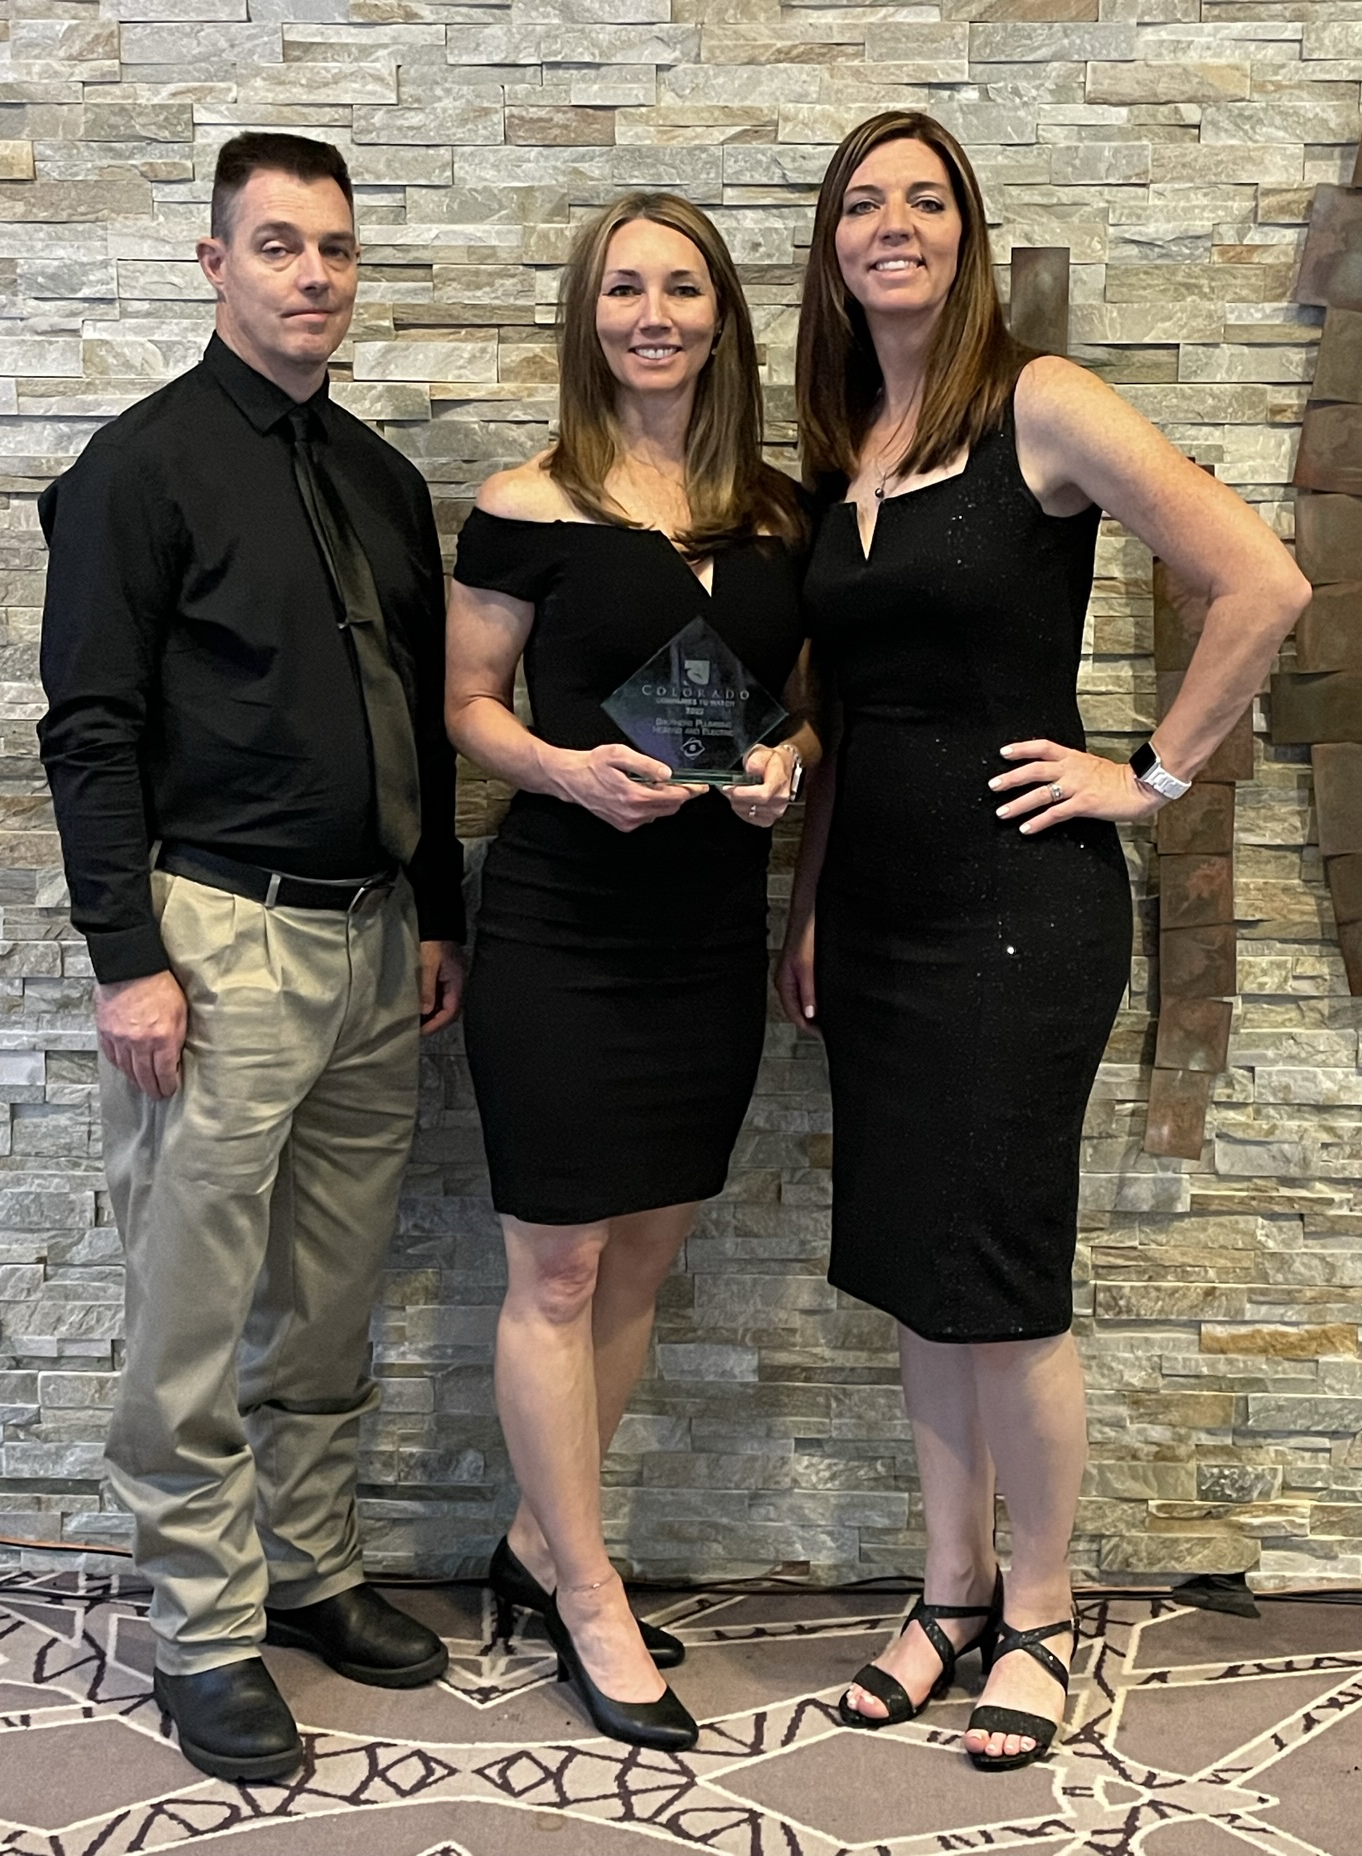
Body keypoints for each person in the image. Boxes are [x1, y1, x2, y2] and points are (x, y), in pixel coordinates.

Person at [779, 111, 1309, 1770]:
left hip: (1021, 912)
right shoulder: (842, 438)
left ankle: (1041, 1609)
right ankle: (944, 1597)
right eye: (865, 201)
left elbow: (1263, 582)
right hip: (872, 912)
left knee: (1001, 1275)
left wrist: (1147, 776)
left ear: (969, 233)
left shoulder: (1041, 401)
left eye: (925, 199)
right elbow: (844, 714)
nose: (894, 224)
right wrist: (805, 910)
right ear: (834, 244)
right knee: (921, 1274)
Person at [37, 132, 466, 1784]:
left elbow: (413, 723)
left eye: (335, 249)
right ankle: (206, 1632)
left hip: (370, 948)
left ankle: (311, 1574)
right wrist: (125, 955)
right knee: (193, 1313)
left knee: (329, 1302)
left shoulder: (379, 481)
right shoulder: (139, 469)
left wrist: (436, 910)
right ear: (213, 262)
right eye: (278, 245)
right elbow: (90, 729)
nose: (311, 275)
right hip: (215, 940)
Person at [446, 192, 813, 1752]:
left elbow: (804, 708)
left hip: (707, 937)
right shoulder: (522, 502)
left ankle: (537, 1549)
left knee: (647, 1257)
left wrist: (789, 761)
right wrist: (564, 772)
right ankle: (589, 1596)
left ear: (722, 315)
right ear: (586, 317)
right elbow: (465, 705)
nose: (651, 313)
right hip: (562, 929)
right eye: (621, 289)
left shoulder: (788, 516)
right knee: (559, 1268)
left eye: (680, 288)